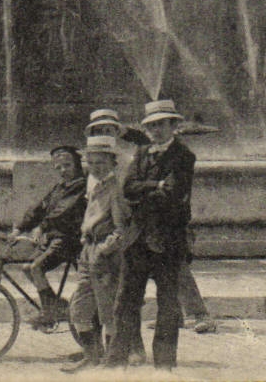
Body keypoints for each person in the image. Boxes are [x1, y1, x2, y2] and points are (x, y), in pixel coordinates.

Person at [86, 107, 215, 336]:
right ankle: (168, 316)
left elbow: (142, 182)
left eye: (109, 129)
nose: (105, 133)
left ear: (118, 130)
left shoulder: (131, 150)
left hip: (145, 214)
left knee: (173, 267)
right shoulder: (98, 157)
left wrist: (142, 191)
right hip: (120, 217)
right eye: (99, 130)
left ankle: (197, 313)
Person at [103, 99, 195, 371]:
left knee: (168, 303)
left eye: (161, 124)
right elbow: (127, 188)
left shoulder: (184, 156)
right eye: (152, 125)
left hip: (167, 239)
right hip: (137, 239)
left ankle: (164, 365)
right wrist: (156, 185)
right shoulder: (142, 151)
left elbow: (174, 194)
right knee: (125, 301)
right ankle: (116, 360)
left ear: (173, 125)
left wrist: (143, 191)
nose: (156, 130)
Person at [62, 134, 128, 372]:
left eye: (101, 162)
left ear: (112, 163)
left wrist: (104, 249)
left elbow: (121, 230)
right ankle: (92, 356)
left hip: (105, 257)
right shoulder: (95, 186)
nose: (95, 167)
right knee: (79, 309)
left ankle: (111, 361)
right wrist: (85, 241)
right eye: (90, 162)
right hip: (87, 252)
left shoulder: (116, 189)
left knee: (107, 311)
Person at [12, 145, 87, 328]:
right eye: (58, 167)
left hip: (69, 239)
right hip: (55, 239)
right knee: (27, 268)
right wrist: (19, 229)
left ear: (77, 165)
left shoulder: (81, 186)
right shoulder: (58, 188)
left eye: (67, 165)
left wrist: (42, 227)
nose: (63, 170)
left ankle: (49, 312)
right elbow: (39, 208)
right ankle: (56, 305)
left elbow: (63, 211)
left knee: (36, 267)